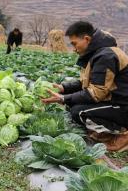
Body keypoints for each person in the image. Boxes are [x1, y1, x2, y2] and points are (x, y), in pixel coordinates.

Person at [42, 21, 128, 152]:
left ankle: (123, 134)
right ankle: (106, 131)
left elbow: (95, 93)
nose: (74, 49)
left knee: (78, 112)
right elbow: (85, 82)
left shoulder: (106, 56)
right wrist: (63, 88)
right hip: (113, 100)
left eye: (74, 44)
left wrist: (63, 98)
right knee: (73, 104)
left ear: (87, 39)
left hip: (122, 106)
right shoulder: (98, 52)